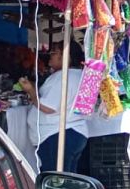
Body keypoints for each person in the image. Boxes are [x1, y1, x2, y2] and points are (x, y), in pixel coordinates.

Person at [21, 40, 88, 173]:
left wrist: (31, 91)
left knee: (56, 181)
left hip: (58, 135)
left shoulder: (63, 76)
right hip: (73, 133)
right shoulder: (79, 75)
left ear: (66, 56)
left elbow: (48, 107)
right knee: (68, 178)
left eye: (54, 52)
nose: (50, 55)